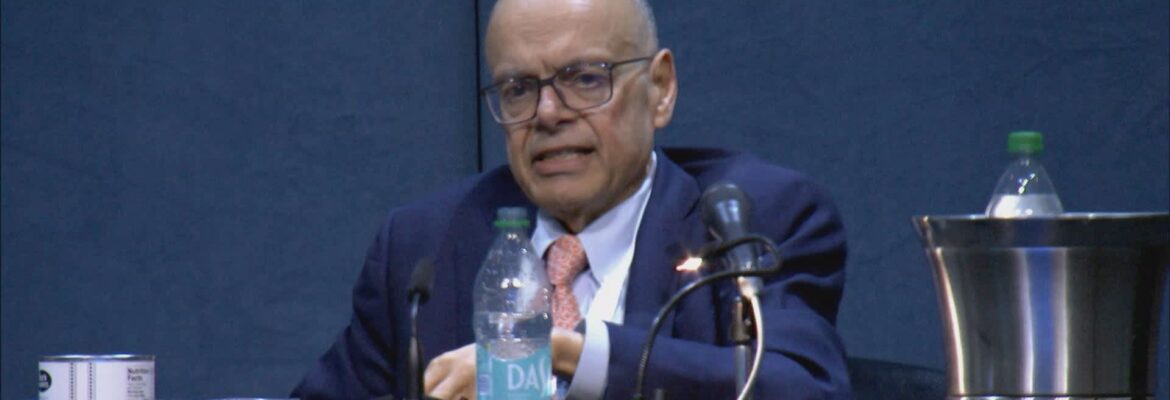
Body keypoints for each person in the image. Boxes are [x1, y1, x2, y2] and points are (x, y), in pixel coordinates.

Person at [292, 0, 850, 398]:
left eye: (585, 79)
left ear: (660, 89)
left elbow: (800, 386)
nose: (548, 113)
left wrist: (567, 354)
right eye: (518, 89)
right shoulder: (426, 242)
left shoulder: (745, 220)